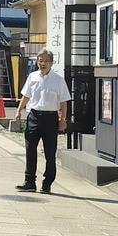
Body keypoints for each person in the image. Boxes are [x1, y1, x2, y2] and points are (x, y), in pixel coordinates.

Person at [14, 48, 71, 193]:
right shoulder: (32, 77)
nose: (43, 63)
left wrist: (63, 119)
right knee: (30, 150)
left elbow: (64, 102)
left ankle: (47, 183)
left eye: (46, 61)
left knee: (50, 153)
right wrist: (19, 110)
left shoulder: (58, 80)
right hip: (33, 116)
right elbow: (26, 96)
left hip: (51, 118)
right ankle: (29, 182)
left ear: (51, 63)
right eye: (40, 61)